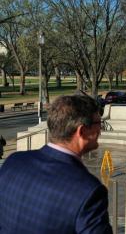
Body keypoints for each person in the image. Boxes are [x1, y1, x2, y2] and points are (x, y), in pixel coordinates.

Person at [0, 95, 112, 234]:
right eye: (98, 123)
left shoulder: (13, 162)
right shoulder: (89, 191)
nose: (100, 130)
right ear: (82, 131)